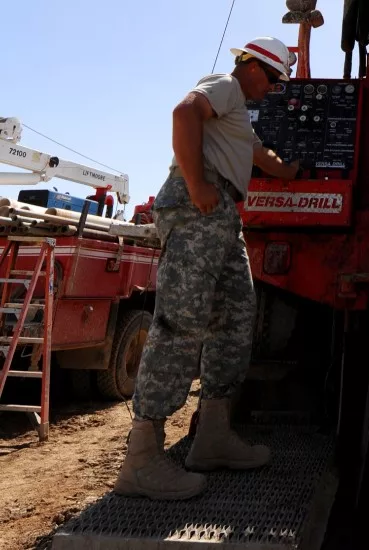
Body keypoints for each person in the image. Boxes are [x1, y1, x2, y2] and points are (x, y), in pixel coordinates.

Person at [114, 36, 301, 500]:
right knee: (181, 322)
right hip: (200, 207)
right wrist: (197, 184)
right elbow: (184, 113)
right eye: (275, 80)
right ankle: (141, 460)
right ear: (255, 67)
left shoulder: (238, 116)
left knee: (236, 317)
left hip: (223, 216)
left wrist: (294, 170)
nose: (274, 90)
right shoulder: (225, 85)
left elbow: (261, 156)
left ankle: (213, 436)